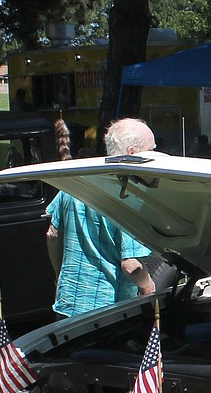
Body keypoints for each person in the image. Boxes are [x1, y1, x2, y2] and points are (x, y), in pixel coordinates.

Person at [46, 118, 157, 317]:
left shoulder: (77, 182)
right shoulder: (129, 196)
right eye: (151, 149)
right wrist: (149, 288)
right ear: (131, 152)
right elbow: (131, 266)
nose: (155, 155)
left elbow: (52, 234)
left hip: (68, 300)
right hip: (106, 312)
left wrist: (58, 275)